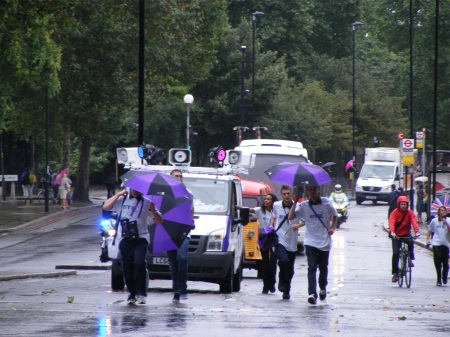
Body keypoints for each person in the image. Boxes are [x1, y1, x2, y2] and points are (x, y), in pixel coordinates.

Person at [103, 188, 162, 305]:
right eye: (133, 188)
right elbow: (106, 207)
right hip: (125, 238)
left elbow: (160, 221)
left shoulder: (146, 202)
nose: (136, 191)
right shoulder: (122, 200)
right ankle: (132, 293)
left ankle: (141, 293)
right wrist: (119, 194)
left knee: (139, 263)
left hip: (141, 239)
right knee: (127, 267)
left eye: (138, 189)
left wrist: (154, 210)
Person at [289, 185, 337, 305]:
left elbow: (335, 215)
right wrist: (295, 201)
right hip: (310, 241)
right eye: (310, 189)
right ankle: (312, 294)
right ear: (307, 191)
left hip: (324, 241)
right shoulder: (303, 205)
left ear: (318, 190)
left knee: (323, 267)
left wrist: (332, 228)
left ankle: (322, 288)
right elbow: (291, 216)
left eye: (314, 189)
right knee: (311, 267)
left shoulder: (326, 203)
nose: (312, 191)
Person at [237, 193, 279, 294]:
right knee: (265, 263)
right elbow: (248, 209)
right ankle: (265, 286)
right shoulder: (260, 210)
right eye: (265, 199)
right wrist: (236, 206)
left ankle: (272, 283)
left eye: (268, 199)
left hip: (273, 238)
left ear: (273, 201)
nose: (266, 201)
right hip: (264, 238)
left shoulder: (276, 211)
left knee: (273, 262)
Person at [168, 169, 194, 302]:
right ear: (170, 178)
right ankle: (176, 290)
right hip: (168, 231)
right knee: (173, 262)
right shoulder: (164, 194)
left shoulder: (188, 193)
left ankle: (182, 287)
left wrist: (190, 223)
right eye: (175, 176)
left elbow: (191, 210)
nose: (178, 178)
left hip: (183, 231)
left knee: (182, 258)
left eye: (180, 176)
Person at [269, 185, 299, 300]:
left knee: (290, 268)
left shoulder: (298, 206)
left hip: (292, 240)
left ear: (291, 194)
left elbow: (305, 220)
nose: (287, 196)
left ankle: (287, 290)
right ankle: (281, 281)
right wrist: (271, 226)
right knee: (283, 260)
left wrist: (299, 225)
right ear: (281, 195)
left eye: (288, 193)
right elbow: (274, 216)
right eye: (284, 194)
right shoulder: (276, 205)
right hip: (280, 239)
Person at [389, 195, 420, 283]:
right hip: (396, 235)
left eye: (405, 204)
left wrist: (417, 231)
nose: (403, 206)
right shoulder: (394, 213)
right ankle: (395, 273)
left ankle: (411, 258)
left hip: (406, 234)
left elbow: (414, 221)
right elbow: (391, 222)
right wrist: (392, 232)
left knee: (411, 242)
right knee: (395, 253)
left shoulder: (410, 213)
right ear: (399, 205)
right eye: (402, 204)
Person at [426, 206, 450, 286]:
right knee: (437, 261)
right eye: (441, 210)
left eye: (444, 210)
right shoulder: (434, 221)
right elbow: (430, 230)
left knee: (445, 263)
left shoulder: (449, 220)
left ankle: (444, 276)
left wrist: (446, 223)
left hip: (445, 243)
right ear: (438, 212)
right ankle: (439, 278)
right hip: (436, 243)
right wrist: (427, 240)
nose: (443, 212)